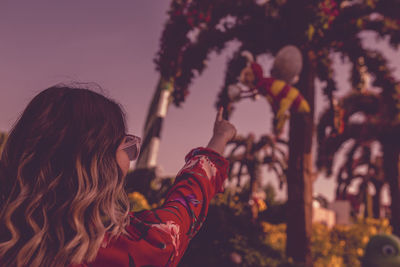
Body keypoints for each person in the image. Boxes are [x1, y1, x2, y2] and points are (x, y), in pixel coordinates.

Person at [0, 85, 236, 267]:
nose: (130, 159)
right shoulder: (127, 248)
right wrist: (219, 139)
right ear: (99, 164)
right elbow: (183, 209)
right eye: (128, 146)